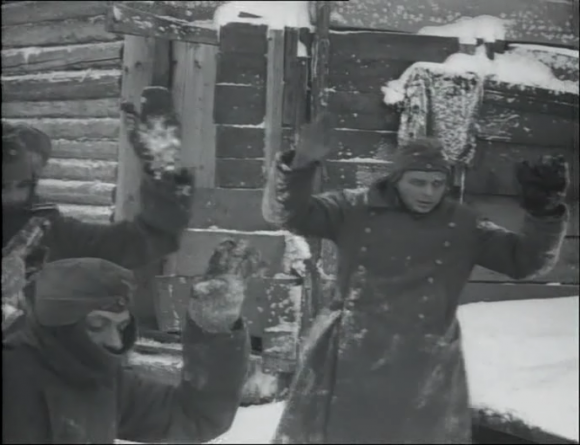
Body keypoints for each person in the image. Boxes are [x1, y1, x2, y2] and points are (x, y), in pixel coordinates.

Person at [262, 114, 570, 444]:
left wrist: (545, 213)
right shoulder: (353, 208)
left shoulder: (463, 224)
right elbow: (286, 215)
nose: (429, 192)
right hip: (351, 355)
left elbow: (526, 262)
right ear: (396, 179)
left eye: (437, 183)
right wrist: (301, 166)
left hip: (426, 369)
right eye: (418, 182)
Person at [2, 255, 252, 444]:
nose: (114, 342)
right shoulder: (11, 373)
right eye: (97, 325)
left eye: (120, 327)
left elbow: (193, 416)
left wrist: (215, 326)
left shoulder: (103, 379)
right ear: (60, 323)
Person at [2, 117, 193, 330]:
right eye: (3, 186)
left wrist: (163, 175)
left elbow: (133, 243)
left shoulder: (46, 231)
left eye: (23, 185)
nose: (13, 197)